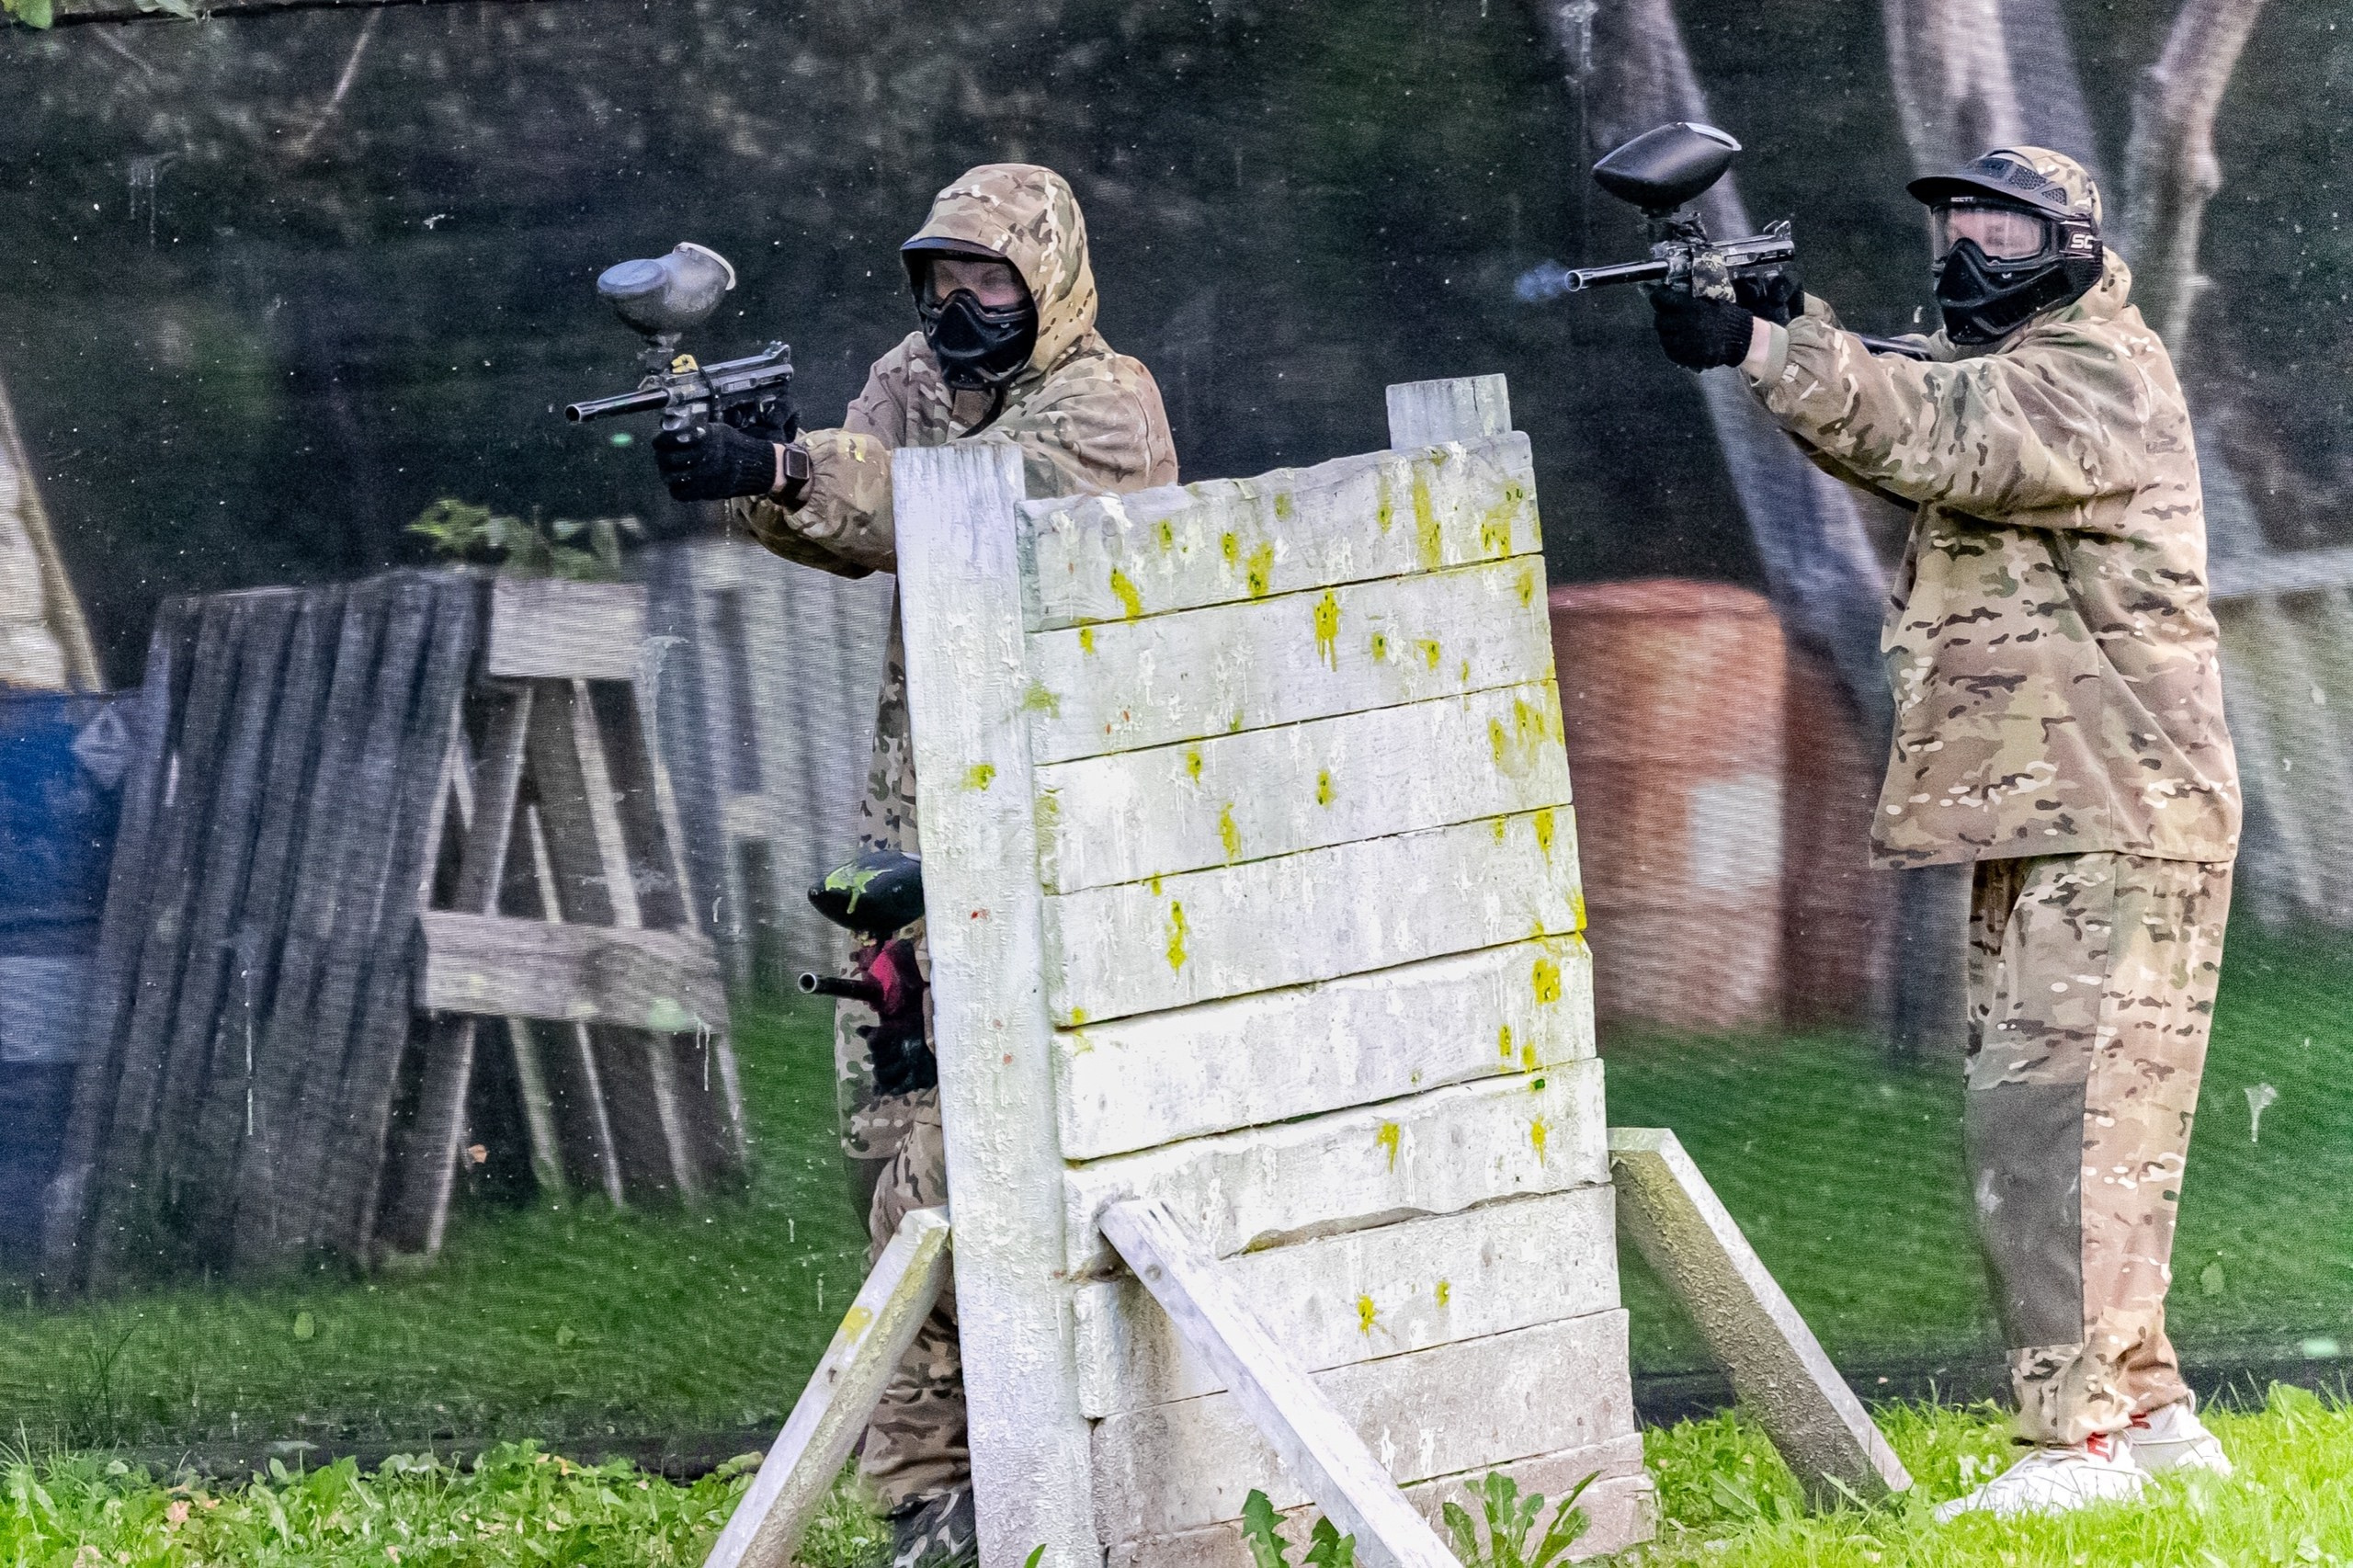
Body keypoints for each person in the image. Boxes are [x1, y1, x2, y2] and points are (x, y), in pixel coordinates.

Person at [1647, 147, 2241, 1518]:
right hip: (2066, 805)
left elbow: (1939, 432)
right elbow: (1910, 402)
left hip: (2114, 807)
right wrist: (1789, 335)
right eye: (1957, 215)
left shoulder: (2095, 373)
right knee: (2096, 1131)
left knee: (2059, 1126)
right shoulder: (2024, 364)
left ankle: (2075, 1447)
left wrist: (1758, 342)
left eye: (2003, 219)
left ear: (2075, 241)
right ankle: (2146, 1417)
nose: (1971, 238)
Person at [650, 162, 1178, 1566]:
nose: (958, 309)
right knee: (891, 1161)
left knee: (1016, 1165)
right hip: (916, 837)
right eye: (939, 281)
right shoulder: (921, 371)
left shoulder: (1108, 407)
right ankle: (929, 1501)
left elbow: (963, 505)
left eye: (987, 280)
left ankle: (1084, 1468)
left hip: (1067, 834)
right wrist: (755, 468)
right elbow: (847, 499)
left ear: (1051, 278)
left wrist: (792, 466)